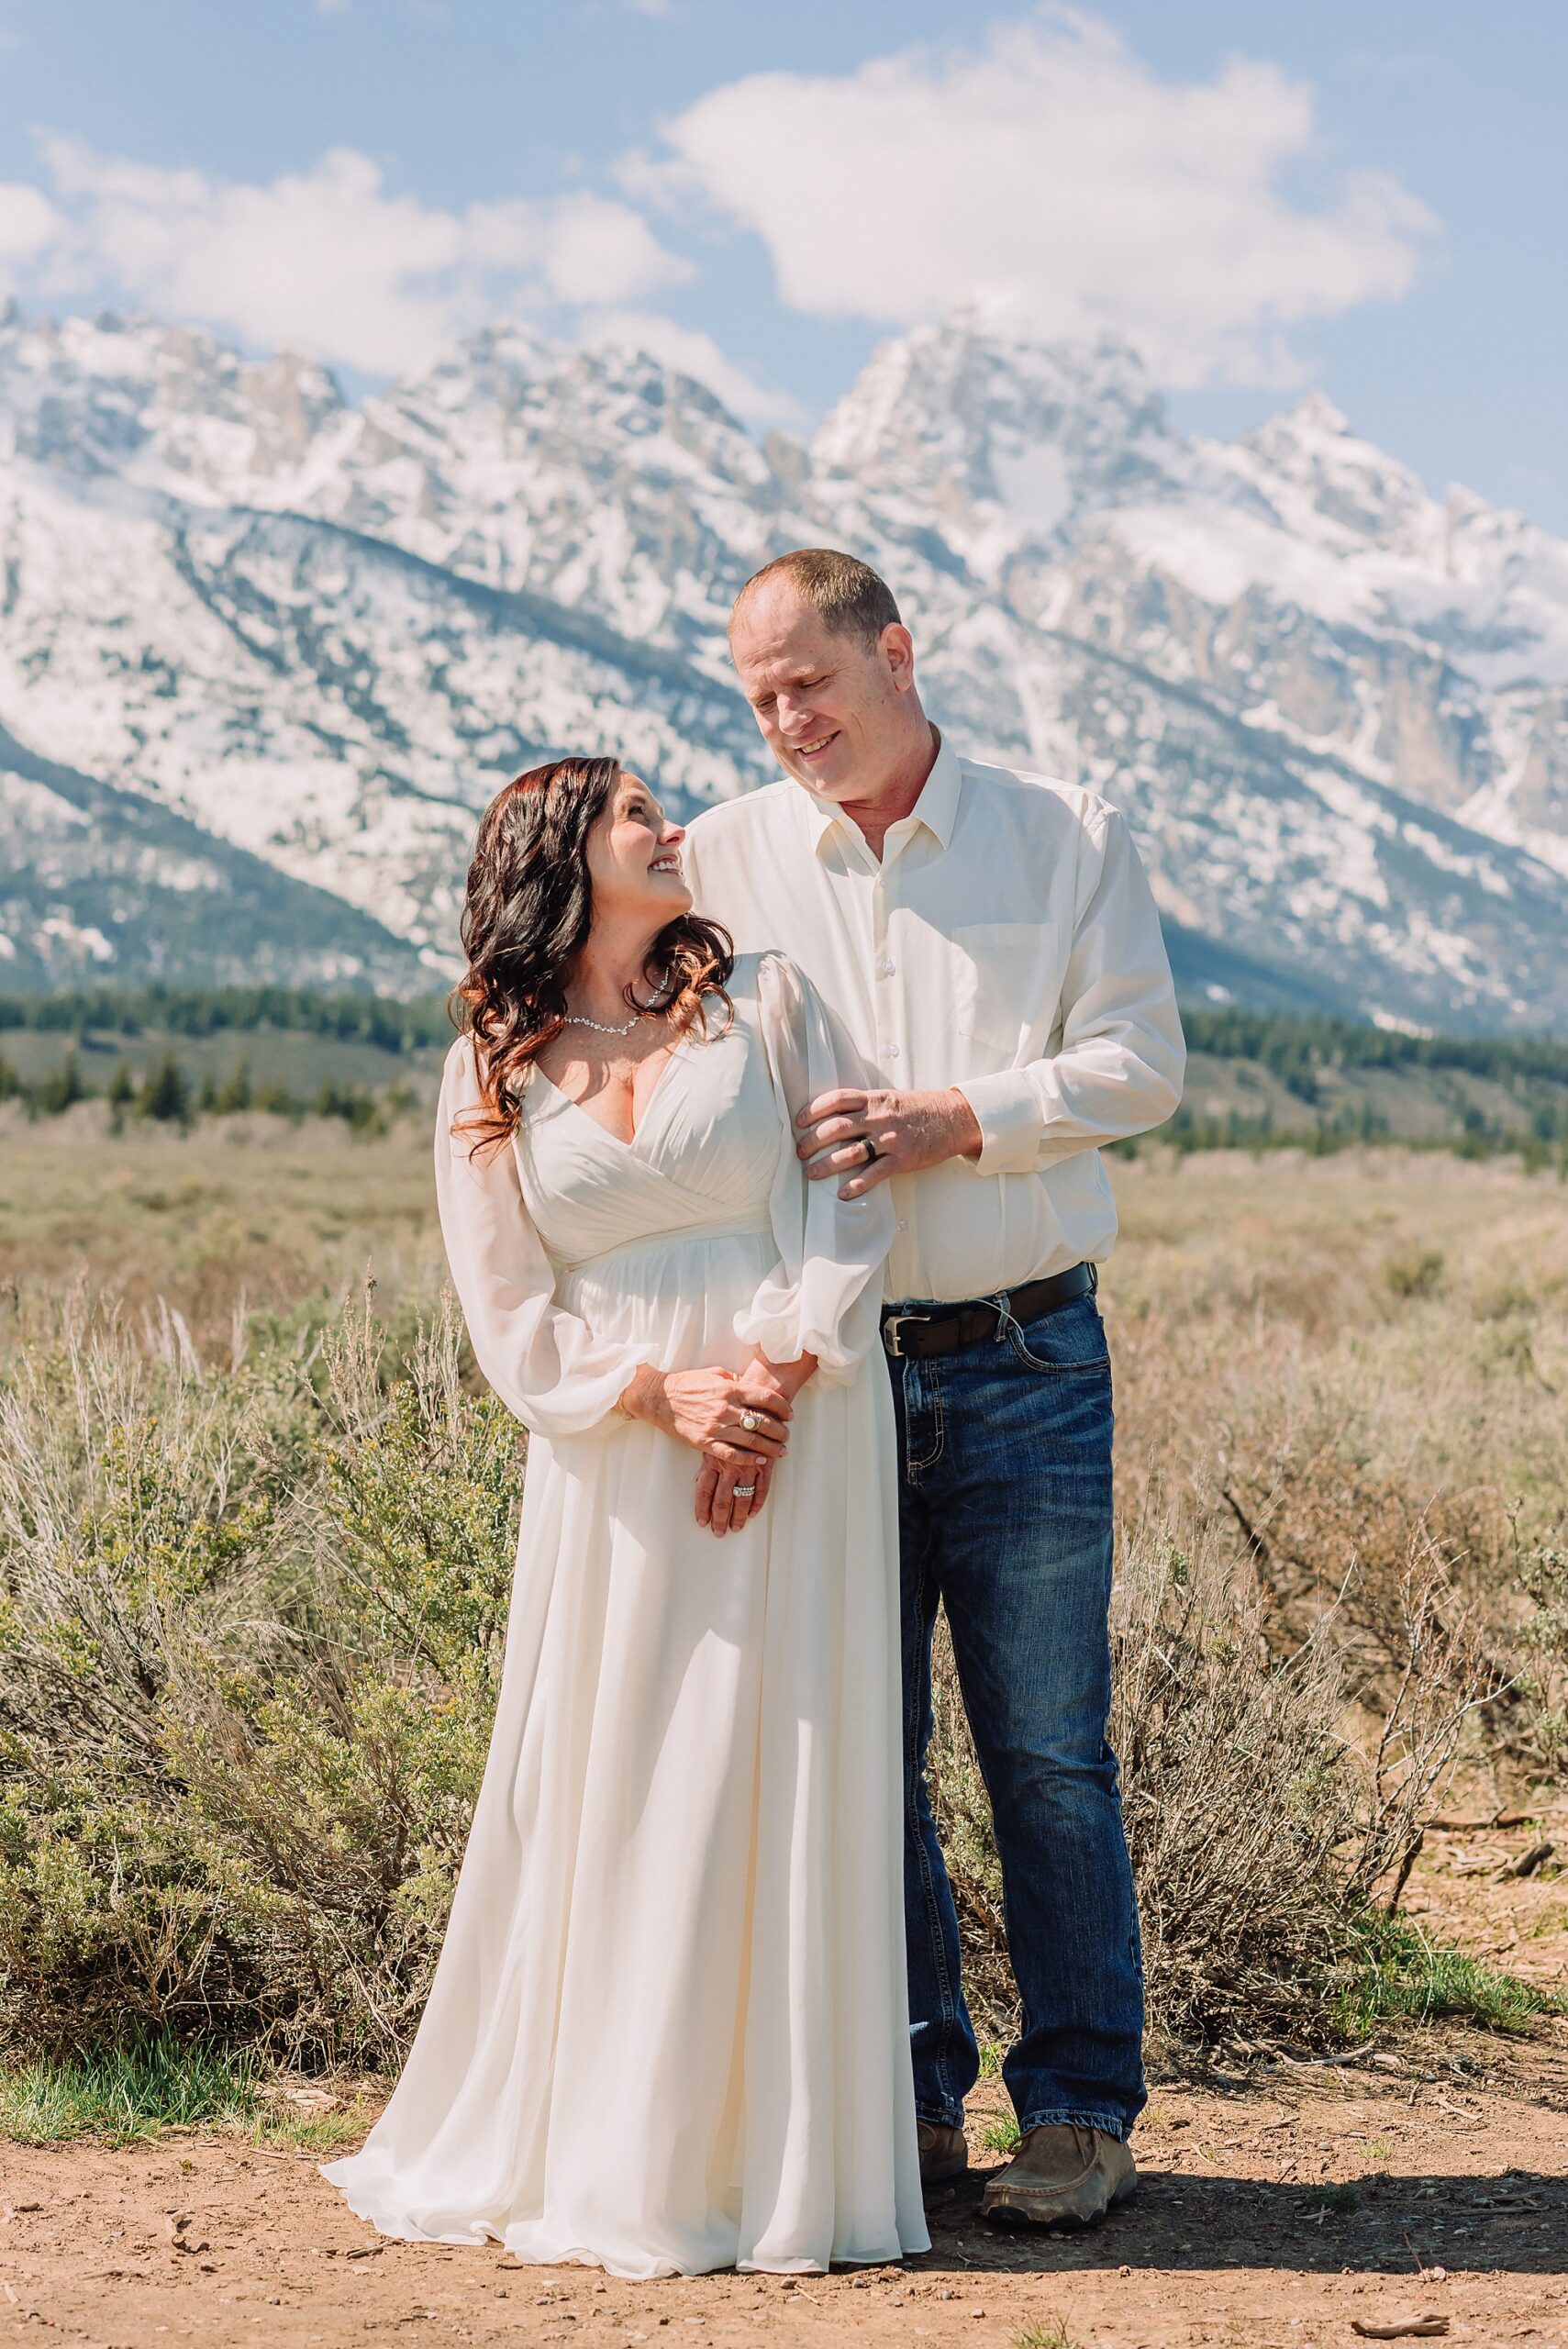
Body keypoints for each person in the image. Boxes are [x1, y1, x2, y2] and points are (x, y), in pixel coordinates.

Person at [323, 754, 928, 2279]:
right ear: (562, 857)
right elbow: (508, 1309)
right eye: (638, 814)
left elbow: (852, 1194)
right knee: (627, 1765)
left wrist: (774, 1378)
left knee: (782, 1755)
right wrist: (668, 1397)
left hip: (806, 1420)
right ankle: (617, 2148)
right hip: (616, 1448)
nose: (675, 828)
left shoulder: (767, 1003)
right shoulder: (491, 1063)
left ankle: (782, 2166)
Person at [680, 549, 1185, 2232]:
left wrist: (952, 1118)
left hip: (1028, 1354)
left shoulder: (1065, 835)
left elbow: (1140, 1064)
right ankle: (902, 2099)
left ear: (895, 653)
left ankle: (1078, 2107)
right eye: (755, 698)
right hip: (829, 1381)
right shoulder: (724, 857)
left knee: (1045, 1750)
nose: (783, 721)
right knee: (856, 1752)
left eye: (807, 683)